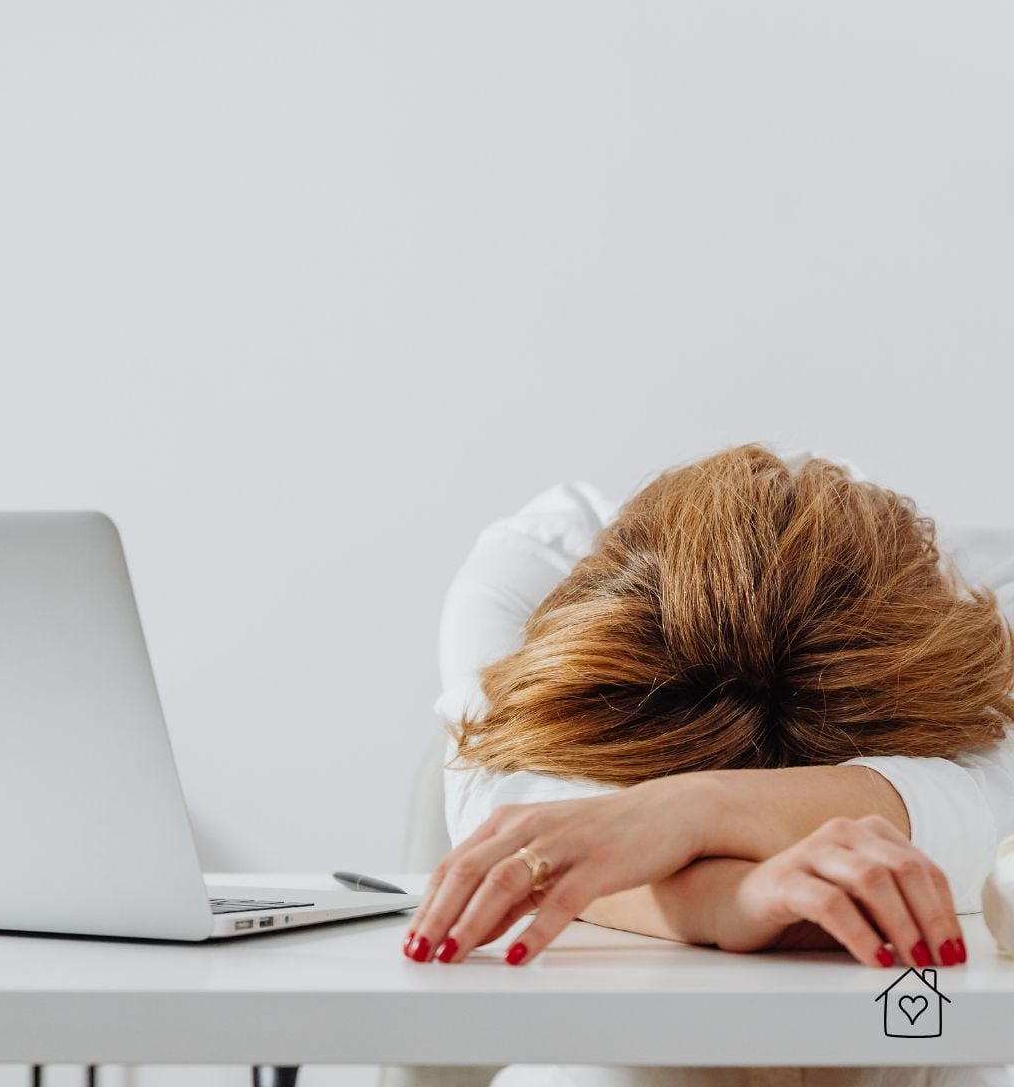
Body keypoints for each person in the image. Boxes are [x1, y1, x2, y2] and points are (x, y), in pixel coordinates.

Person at [403, 445, 1014, 1087]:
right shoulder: (536, 560)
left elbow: (990, 815)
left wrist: (691, 810)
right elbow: (520, 831)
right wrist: (732, 899)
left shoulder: (989, 605)